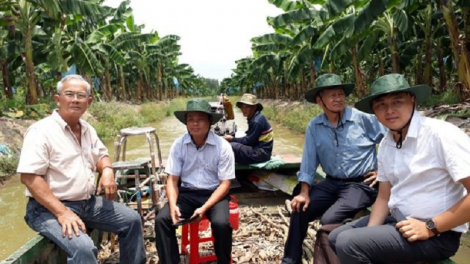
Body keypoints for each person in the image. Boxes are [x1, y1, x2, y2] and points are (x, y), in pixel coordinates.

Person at [329, 73, 470, 263]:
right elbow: (384, 196)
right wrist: (370, 236)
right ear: (374, 111)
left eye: (397, 102)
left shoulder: (440, 135)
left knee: (348, 243)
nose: (390, 111)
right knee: (335, 237)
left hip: (438, 234)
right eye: (381, 105)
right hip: (401, 221)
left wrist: (430, 227)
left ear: (412, 101)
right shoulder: (387, 142)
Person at [17, 75, 146, 264]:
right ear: (57, 99)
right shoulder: (41, 132)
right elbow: (29, 178)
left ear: (89, 101)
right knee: (84, 248)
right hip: (47, 208)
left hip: (87, 203)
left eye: (81, 95)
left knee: (132, 220)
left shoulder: (87, 129)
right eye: (69, 94)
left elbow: (101, 155)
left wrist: (108, 170)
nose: (75, 99)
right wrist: (62, 213)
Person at [281, 73, 386, 264]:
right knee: (299, 209)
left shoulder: (362, 119)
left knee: (329, 218)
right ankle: (290, 260)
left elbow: (393, 137)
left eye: (340, 94)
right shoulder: (315, 126)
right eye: (332, 95)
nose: (338, 99)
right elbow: (309, 161)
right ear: (320, 101)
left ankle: (342, 254)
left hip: (361, 184)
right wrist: (304, 193)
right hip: (331, 182)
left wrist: (384, 171)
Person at [155, 98, 235, 264]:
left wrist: (204, 208)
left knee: (221, 224)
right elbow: (172, 179)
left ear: (209, 122)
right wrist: (172, 206)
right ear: (186, 123)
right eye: (191, 119)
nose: (195, 124)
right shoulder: (179, 145)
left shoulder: (223, 147)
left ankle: (223, 261)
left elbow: (225, 184)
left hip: (214, 194)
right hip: (187, 193)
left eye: (200, 119)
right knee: (162, 220)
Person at [223, 93, 273, 164]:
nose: (244, 110)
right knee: (234, 144)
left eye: (247, 107)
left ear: (254, 107)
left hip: (261, 154)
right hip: (260, 150)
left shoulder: (256, 121)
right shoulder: (255, 117)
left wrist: (232, 139)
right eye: (242, 107)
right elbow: (250, 139)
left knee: (231, 146)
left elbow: (248, 142)